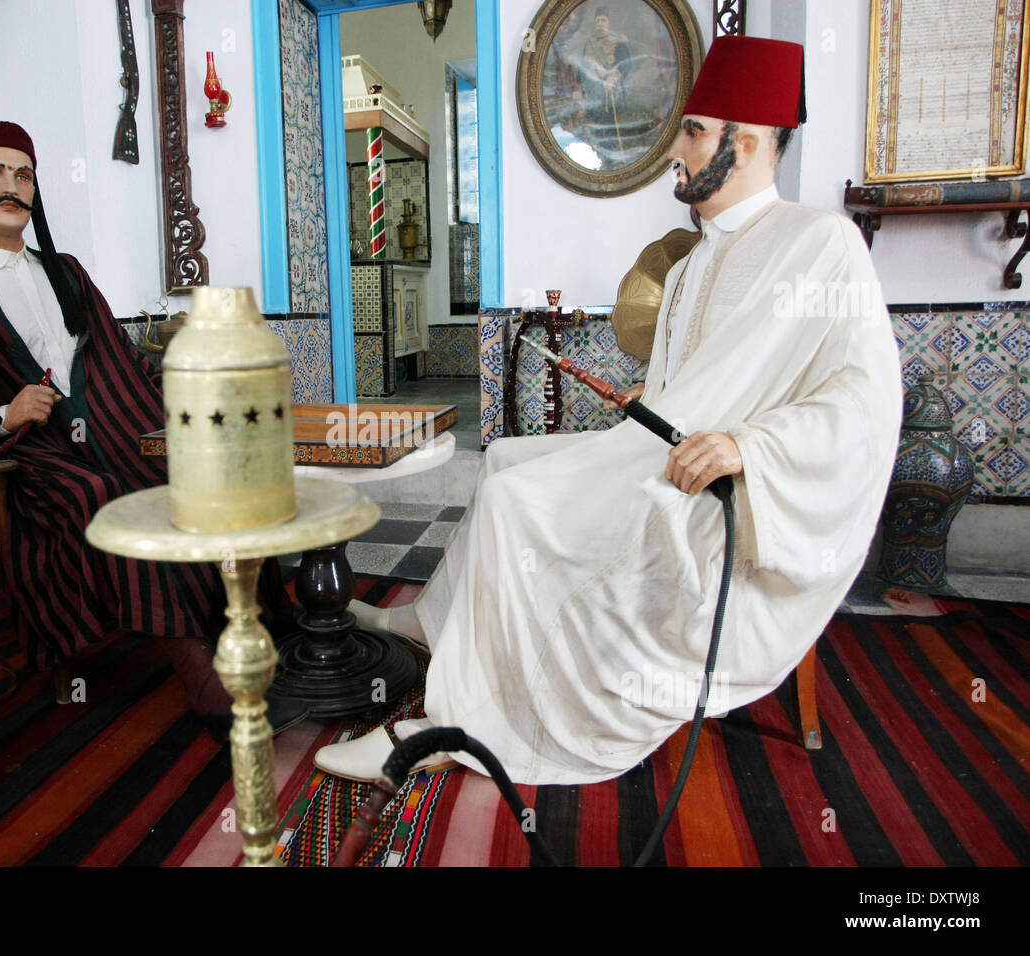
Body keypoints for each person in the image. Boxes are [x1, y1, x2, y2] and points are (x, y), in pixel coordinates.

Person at [316, 37, 903, 784]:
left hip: (719, 488)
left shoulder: (822, 243)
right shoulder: (691, 263)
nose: (676, 151)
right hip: (656, 453)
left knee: (515, 500)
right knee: (501, 457)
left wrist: (749, 446)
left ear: (748, 143)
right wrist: (648, 408)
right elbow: (680, 394)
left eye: (693, 132)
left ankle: (448, 727)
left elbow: (865, 400)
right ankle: (433, 621)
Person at [0, 121, 301, 733]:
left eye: (23, 174)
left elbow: (124, 361)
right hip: (33, 461)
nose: (10, 187)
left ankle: (270, 625)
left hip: (118, 429)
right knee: (106, 499)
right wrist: (2, 415)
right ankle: (200, 673)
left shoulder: (67, 272)